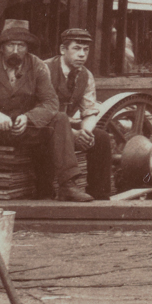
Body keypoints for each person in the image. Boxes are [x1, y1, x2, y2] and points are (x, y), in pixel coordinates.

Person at [0, 19, 86, 200]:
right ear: (2, 47)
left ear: (27, 48)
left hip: (27, 130)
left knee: (60, 118)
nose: (16, 51)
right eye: (11, 45)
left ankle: (67, 186)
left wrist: (29, 118)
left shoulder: (37, 66)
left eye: (21, 45)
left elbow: (51, 102)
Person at [44, 26, 106, 200]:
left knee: (101, 139)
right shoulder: (45, 70)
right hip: (44, 124)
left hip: (68, 126)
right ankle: (57, 190)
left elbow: (89, 110)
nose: (82, 55)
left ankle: (100, 197)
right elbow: (39, 109)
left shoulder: (86, 76)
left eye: (86, 50)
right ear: (63, 50)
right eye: (76, 49)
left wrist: (85, 132)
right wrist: (73, 133)